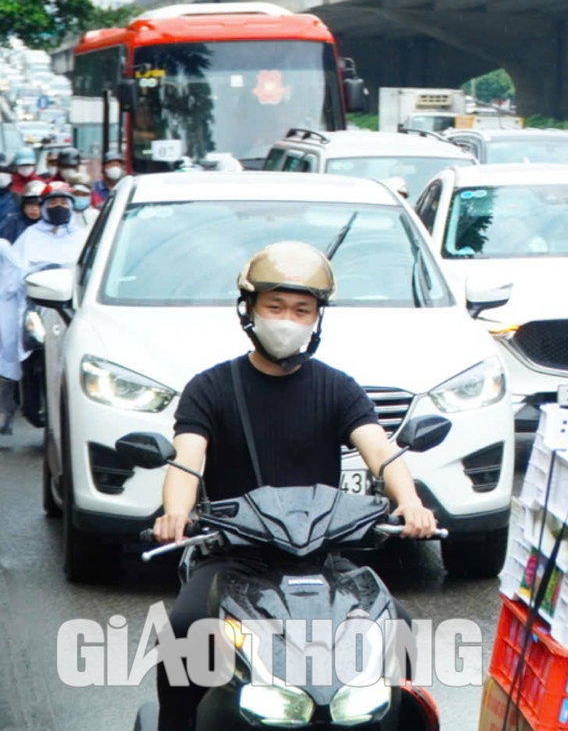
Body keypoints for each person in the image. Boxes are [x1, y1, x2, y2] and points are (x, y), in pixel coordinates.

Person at [150, 242, 438, 731]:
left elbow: (380, 449)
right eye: (275, 306)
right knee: (184, 629)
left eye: (302, 310)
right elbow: (187, 458)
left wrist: (410, 502)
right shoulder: (211, 387)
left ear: (317, 319)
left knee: (399, 624)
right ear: (250, 310)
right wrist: (175, 512)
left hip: (322, 554)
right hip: (232, 555)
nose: (288, 319)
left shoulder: (337, 387)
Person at [11, 181, 82, 273]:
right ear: (44, 208)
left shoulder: (81, 235)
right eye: (53, 203)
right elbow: (16, 271)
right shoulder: (31, 234)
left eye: (64, 203)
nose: (59, 206)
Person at [0, 178, 41, 243]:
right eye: (30, 204)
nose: (34, 209)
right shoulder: (12, 222)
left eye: (39, 205)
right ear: (23, 205)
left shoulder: (50, 225)